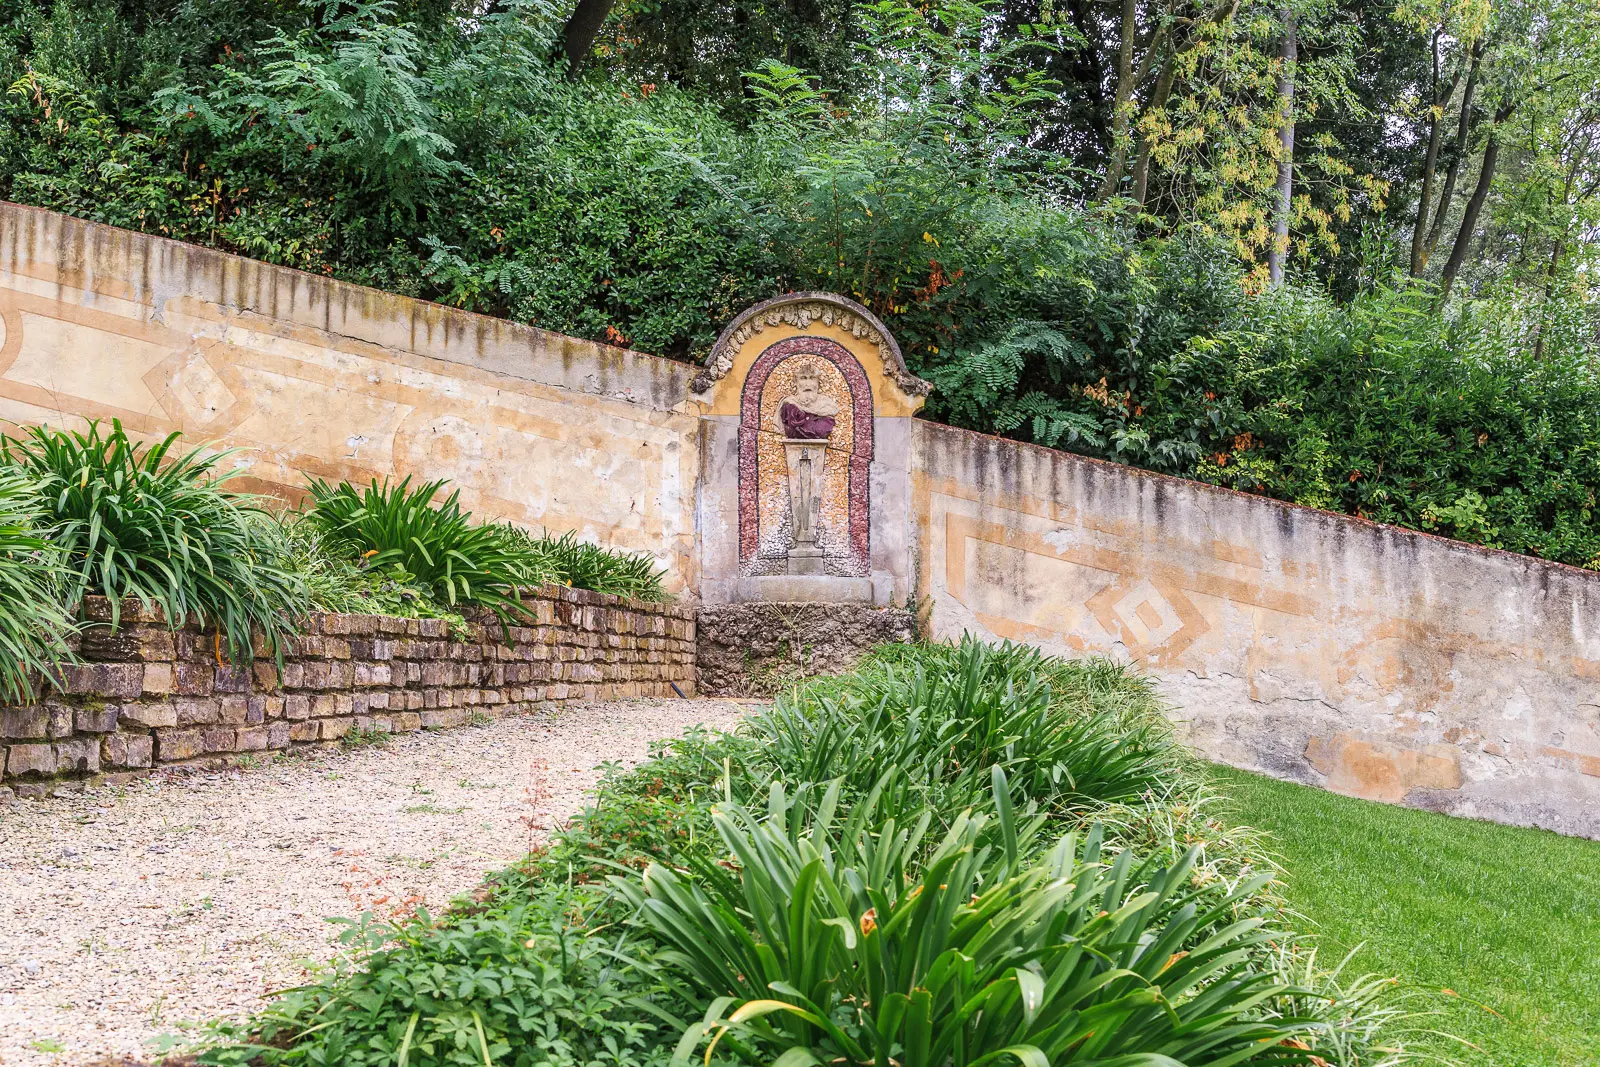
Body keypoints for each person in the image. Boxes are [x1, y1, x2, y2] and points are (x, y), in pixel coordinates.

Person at [773, 359, 841, 439]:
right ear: (796, 382)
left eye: (812, 378)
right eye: (803, 378)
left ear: (818, 383)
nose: (807, 384)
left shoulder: (827, 405)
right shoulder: (789, 404)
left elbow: (822, 430)